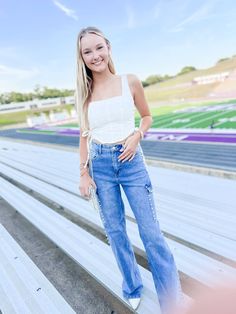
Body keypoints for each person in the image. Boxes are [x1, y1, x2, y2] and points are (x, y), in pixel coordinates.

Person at [76, 26, 183, 313]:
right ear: (82, 57)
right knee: (115, 230)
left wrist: (137, 135)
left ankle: (171, 301)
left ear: (108, 47)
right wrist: (83, 173)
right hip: (100, 164)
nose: (95, 55)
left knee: (151, 233)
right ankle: (132, 285)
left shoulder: (130, 81)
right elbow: (84, 134)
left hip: (131, 163)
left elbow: (146, 116)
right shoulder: (84, 93)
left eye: (99, 48)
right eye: (87, 51)